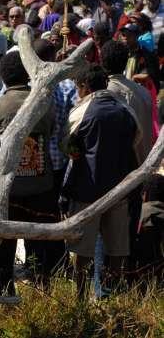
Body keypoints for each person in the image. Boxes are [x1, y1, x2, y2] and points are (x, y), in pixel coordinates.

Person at [62, 64, 140, 299]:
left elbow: (66, 145)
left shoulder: (80, 111)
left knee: (82, 251)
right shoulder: (127, 109)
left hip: (87, 190)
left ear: (84, 86)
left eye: (78, 87)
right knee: (116, 249)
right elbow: (136, 141)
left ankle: (80, 297)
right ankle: (111, 296)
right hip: (120, 189)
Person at [0, 51, 60, 291]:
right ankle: (41, 292)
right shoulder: (46, 102)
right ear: (28, 74)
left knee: (2, 248)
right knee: (39, 247)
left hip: (7, 191)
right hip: (41, 187)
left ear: (2, 77)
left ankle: (2, 293)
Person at [103, 40, 152, 163]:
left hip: (125, 172)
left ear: (102, 62)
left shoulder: (104, 95)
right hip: (145, 164)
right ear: (126, 62)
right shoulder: (144, 92)